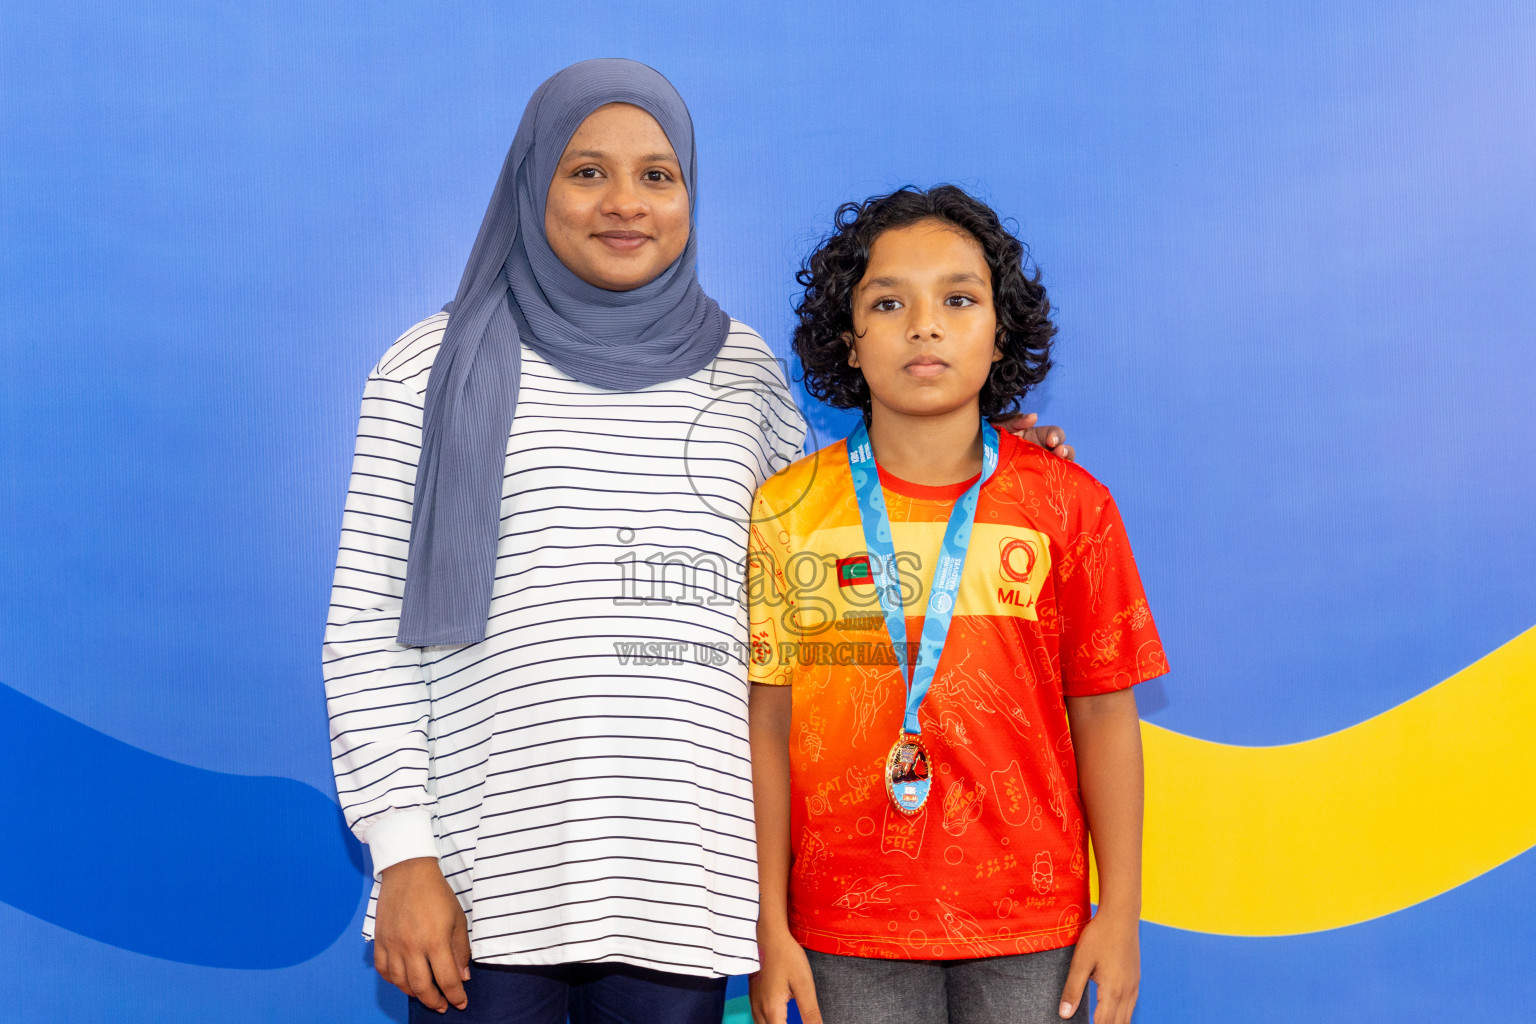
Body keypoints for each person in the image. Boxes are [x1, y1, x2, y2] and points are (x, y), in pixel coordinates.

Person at [324, 63, 1072, 1022]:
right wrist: (403, 854)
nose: (625, 204)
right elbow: (367, 637)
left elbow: (830, 549)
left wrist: (1002, 456)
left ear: (689, 195)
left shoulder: (747, 373)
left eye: (657, 175)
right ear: (532, 181)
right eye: (587, 172)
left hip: (685, 890)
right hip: (484, 887)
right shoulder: (430, 369)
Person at [747, 186, 1166, 1024]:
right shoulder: (789, 510)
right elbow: (769, 722)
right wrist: (769, 924)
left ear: (998, 329)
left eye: (958, 299)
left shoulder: (1068, 505)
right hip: (845, 923)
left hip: (1030, 921)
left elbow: (1106, 715)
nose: (924, 324)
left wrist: (1119, 914)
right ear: (846, 338)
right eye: (888, 301)